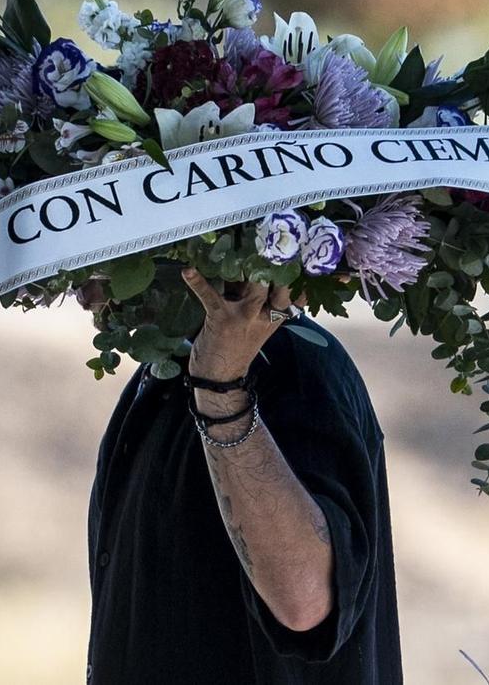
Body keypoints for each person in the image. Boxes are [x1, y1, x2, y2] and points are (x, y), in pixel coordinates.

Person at [81, 269, 401, 683]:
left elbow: (305, 602)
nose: (83, 291)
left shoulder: (295, 364)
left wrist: (222, 391)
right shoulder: (161, 375)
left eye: (103, 264)